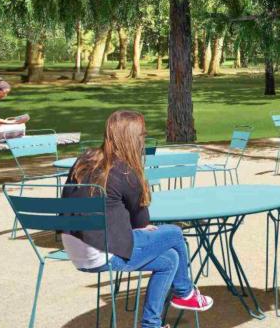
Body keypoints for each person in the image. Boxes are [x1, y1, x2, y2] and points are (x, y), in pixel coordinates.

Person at [61, 110, 213, 327]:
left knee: (169, 260)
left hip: (75, 248)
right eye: (143, 134)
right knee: (174, 233)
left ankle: (151, 324)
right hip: (102, 251)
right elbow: (141, 224)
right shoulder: (125, 171)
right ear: (133, 138)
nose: (144, 139)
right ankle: (185, 292)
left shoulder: (85, 160)